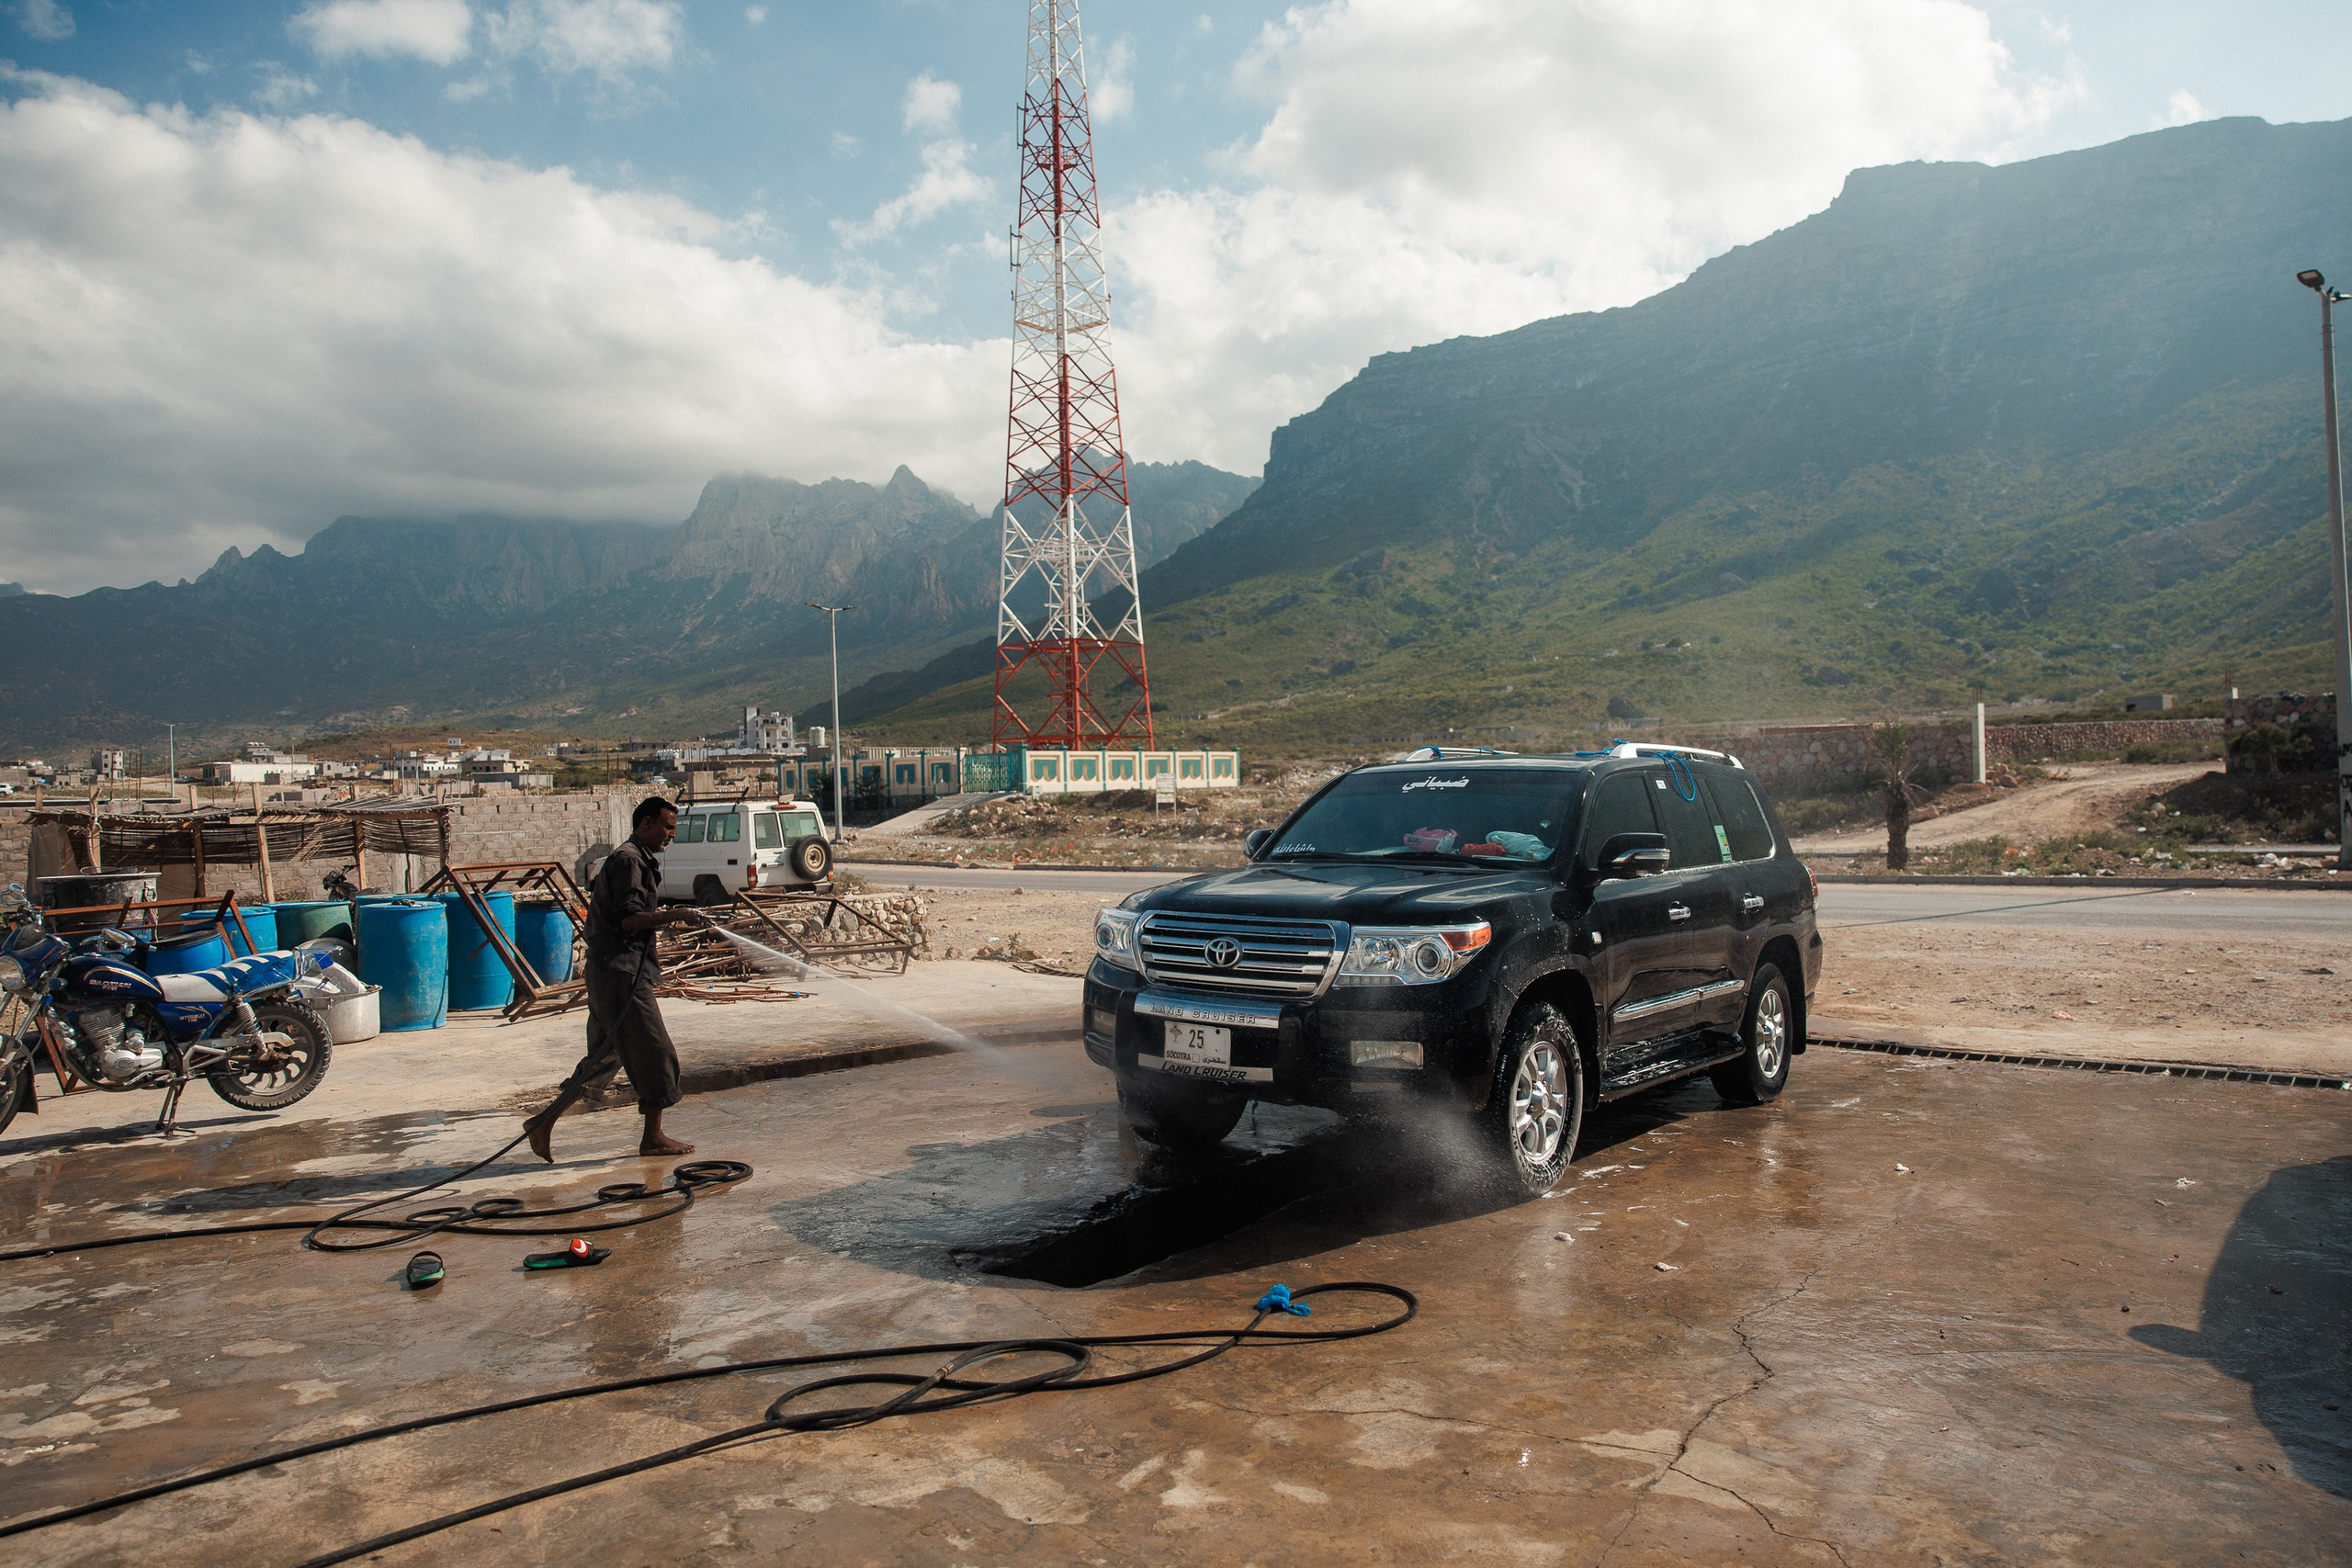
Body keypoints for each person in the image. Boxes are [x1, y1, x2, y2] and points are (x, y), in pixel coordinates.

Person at [524, 796, 707, 1161]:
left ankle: (543, 1123)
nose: (672, 834)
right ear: (646, 824)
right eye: (667, 827)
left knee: (604, 1057)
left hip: (610, 972)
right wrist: (675, 915)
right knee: (657, 1053)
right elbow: (628, 919)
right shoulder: (628, 860)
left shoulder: (635, 858)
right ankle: (652, 1137)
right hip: (620, 973)